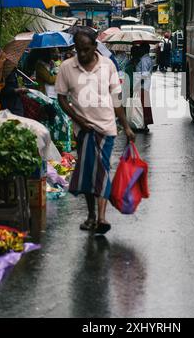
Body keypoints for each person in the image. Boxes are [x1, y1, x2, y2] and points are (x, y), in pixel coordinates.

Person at [56, 27, 135, 235]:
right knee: (88, 174)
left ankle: (101, 217)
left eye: (86, 49)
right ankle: (91, 214)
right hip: (82, 131)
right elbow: (61, 98)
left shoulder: (108, 66)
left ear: (94, 47)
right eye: (78, 49)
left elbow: (116, 99)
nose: (82, 54)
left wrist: (126, 126)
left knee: (101, 170)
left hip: (106, 128)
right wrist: (79, 120)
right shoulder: (66, 68)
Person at [135, 43, 154, 132]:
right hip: (146, 85)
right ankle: (144, 124)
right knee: (144, 105)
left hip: (142, 85)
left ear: (143, 50)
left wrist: (137, 83)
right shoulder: (148, 59)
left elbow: (144, 74)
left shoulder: (144, 60)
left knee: (142, 105)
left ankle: (143, 124)